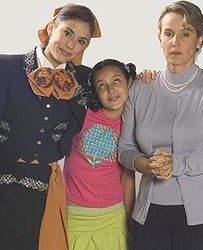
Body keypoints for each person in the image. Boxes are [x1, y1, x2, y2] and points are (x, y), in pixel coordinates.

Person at [118, 1, 203, 250]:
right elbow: (124, 146)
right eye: (169, 33)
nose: (175, 42)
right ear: (159, 38)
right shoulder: (141, 88)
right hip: (148, 213)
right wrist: (144, 164)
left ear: (200, 40)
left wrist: (176, 164)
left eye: (185, 34)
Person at [0, 3, 102, 250]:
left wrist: (144, 77)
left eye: (82, 41)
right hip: (1, 190)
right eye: (68, 33)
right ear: (52, 27)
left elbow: (117, 87)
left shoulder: (83, 78)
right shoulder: (5, 66)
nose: (71, 45)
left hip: (46, 189)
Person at [63, 59, 137, 250]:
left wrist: (129, 221)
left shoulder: (133, 126)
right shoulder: (82, 114)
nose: (111, 90)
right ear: (95, 92)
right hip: (73, 217)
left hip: (112, 218)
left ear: (129, 82)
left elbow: (128, 177)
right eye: (101, 85)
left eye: (116, 81)